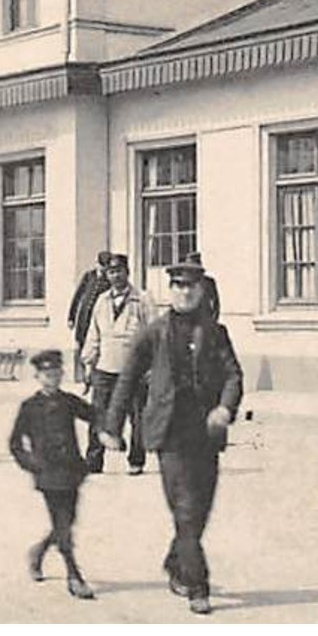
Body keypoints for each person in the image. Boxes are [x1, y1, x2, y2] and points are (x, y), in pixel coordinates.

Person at [100, 253, 242, 616]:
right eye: (178, 285)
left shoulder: (214, 331)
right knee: (185, 508)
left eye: (191, 285)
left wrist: (225, 407)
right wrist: (112, 425)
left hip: (205, 435)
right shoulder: (155, 332)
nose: (184, 292)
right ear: (171, 289)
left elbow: (233, 376)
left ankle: (176, 560)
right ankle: (198, 583)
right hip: (169, 435)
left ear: (201, 289)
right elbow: (128, 378)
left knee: (201, 510)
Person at [8, 348, 97, 600]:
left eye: (57, 373)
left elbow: (95, 417)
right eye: (47, 374)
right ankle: (74, 576)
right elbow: (15, 443)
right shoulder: (29, 407)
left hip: (72, 471)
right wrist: (32, 464)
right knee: (63, 526)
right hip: (47, 475)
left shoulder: (69, 402)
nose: (53, 378)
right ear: (37, 376)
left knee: (66, 522)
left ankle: (38, 552)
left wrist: (98, 445)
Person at [81, 253, 152, 475]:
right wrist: (88, 363)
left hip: (133, 370)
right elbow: (93, 334)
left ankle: (136, 460)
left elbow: (153, 335)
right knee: (98, 415)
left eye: (119, 271)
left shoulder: (142, 299)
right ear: (107, 275)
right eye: (111, 272)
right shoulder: (101, 301)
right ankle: (94, 460)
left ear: (127, 272)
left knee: (137, 417)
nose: (116, 276)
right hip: (105, 367)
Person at [68, 251, 113, 385]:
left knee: (95, 347)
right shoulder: (89, 276)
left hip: (98, 320)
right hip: (83, 319)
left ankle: (93, 378)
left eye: (106, 267)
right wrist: (71, 316)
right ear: (97, 264)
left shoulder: (109, 280)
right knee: (81, 345)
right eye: (101, 266)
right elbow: (77, 296)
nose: (103, 269)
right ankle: (83, 378)